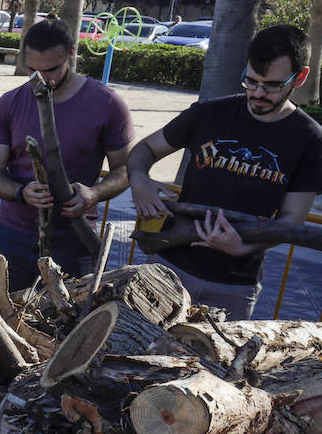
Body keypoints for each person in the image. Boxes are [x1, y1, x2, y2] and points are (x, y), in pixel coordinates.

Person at [128, 24, 322, 318]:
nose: (257, 93)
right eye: (251, 81)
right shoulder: (208, 113)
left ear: (301, 77)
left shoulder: (310, 138)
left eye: (271, 85)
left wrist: (243, 248)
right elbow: (145, 150)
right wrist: (140, 180)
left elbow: (291, 219)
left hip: (235, 286)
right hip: (168, 267)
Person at [0, 18, 133, 290]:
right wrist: (20, 192)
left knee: (70, 327)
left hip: (74, 241)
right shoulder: (8, 105)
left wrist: (93, 194)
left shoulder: (107, 104)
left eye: (50, 69)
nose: (40, 79)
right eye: (32, 70)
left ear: (71, 54)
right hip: (11, 235)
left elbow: (126, 170)